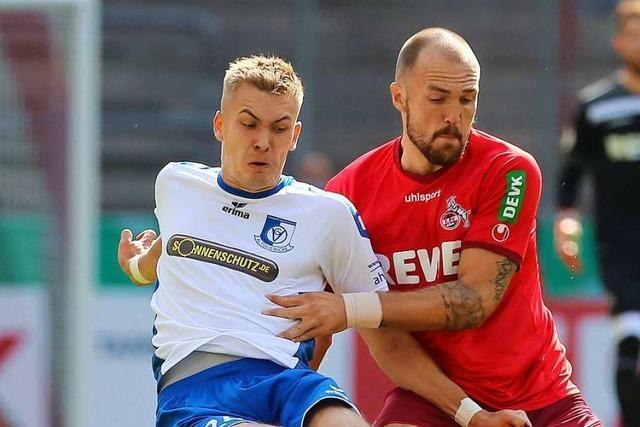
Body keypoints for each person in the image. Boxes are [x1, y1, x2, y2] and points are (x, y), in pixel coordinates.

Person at [117, 55, 531, 427]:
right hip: (196, 392)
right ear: (220, 125)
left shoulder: (329, 214)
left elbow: (385, 337)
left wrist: (472, 415)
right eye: (249, 123)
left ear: (295, 134)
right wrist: (137, 266)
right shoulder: (176, 183)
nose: (264, 141)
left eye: (279, 128)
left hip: (289, 384)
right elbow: (174, 246)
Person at [265, 28, 602, 427]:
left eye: (467, 99)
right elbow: (385, 341)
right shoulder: (347, 196)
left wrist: (348, 309)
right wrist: (470, 414)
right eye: (438, 98)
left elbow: (474, 301)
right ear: (399, 98)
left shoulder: (509, 170)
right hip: (432, 398)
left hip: (542, 397)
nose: (453, 116)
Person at [554, 2, 640, 425]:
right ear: (618, 42)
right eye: (634, 29)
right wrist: (565, 222)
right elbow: (570, 172)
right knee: (631, 350)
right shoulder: (595, 106)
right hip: (620, 249)